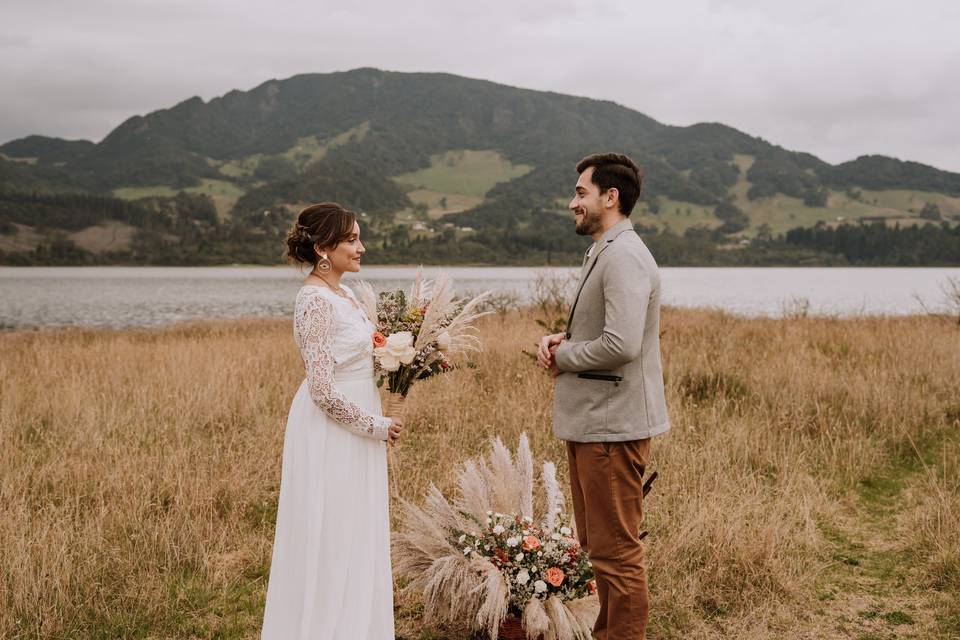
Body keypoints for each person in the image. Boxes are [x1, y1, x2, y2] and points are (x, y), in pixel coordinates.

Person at [538, 153, 669, 640]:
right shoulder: (606, 251)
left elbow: (621, 344)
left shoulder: (625, 255)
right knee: (599, 547)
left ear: (609, 198)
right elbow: (607, 331)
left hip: (613, 427)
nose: (573, 202)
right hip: (595, 423)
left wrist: (564, 356)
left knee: (617, 553)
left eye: (580, 192)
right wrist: (562, 341)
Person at [261, 202, 403, 639]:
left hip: (361, 417)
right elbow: (322, 388)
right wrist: (374, 426)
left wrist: (406, 359)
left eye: (359, 237)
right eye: (352, 240)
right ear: (324, 248)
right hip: (333, 430)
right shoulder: (314, 301)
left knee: (359, 531)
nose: (362, 247)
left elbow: (359, 357)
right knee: (332, 532)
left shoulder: (348, 295)